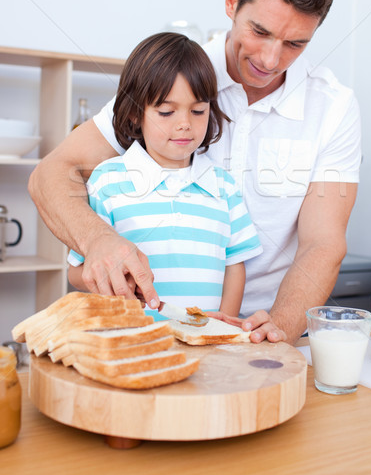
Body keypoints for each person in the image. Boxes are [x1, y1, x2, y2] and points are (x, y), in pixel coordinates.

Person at [29, 0, 361, 344]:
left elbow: (323, 244)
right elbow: (51, 174)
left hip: (263, 335)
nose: (270, 59)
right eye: (259, 31)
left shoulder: (333, 106)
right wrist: (98, 239)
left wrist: (278, 326)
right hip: (148, 330)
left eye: (295, 44)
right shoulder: (173, 76)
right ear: (231, 1)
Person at [67, 32, 262, 318]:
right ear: (135, 113)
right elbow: (76, 271)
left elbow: (235, 266)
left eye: (197, 111)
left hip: (205, 344)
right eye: (167, 112)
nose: (185, 124)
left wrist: (224, 330)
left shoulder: (224, 187)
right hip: (131, 341)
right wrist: (113, 279)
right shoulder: (107, 181)